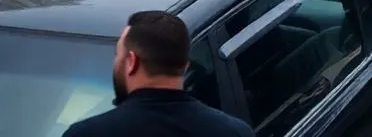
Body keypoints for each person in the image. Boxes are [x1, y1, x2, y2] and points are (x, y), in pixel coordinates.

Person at [61, 11, 253, 136]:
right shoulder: (235, 132)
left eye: (117, 55)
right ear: (186, 66)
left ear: (131, 62)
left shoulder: (85, 134)